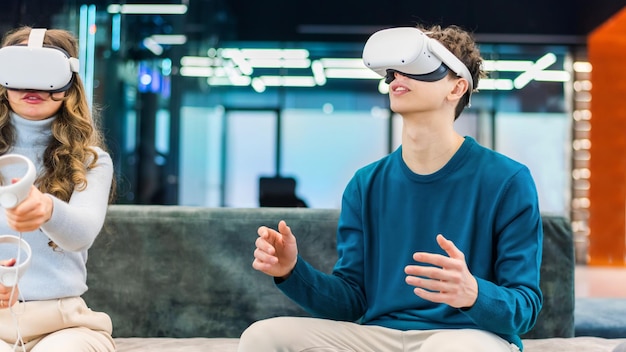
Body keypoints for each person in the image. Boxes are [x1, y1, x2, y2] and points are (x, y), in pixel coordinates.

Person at [239, 24, 543, 352]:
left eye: (418, 67)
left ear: (456, 88)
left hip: (467, 337)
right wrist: (292, 272)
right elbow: (351, 301)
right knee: (262, 337)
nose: (398, 76)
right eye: (393, 71)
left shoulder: (508, 180)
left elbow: (525, 307)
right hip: (379, 337)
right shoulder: (365, 184)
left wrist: (473, 293)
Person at [0, 26, 115, 352]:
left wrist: (48, 209)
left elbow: (81, 233)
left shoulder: (91, 161)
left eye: (44, 73)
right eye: (20, 72)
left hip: (65, 323)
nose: (31, 86)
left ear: (69, 82)